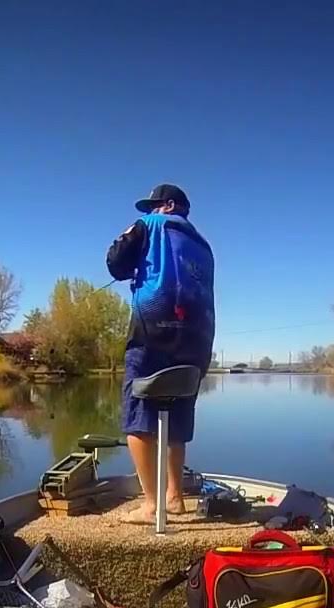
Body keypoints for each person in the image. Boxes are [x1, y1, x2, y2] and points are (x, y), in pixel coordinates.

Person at [106, 183, 215, 524]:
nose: (150, 212)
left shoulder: (149, 225)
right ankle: (176, 497)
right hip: (197, 340)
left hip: (151, 330)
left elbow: (115, 260)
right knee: (177, 417)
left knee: (137, 418)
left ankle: (151, 504)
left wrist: (131, 268)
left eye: (154, 206)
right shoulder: (204, 246)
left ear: (169, 205)